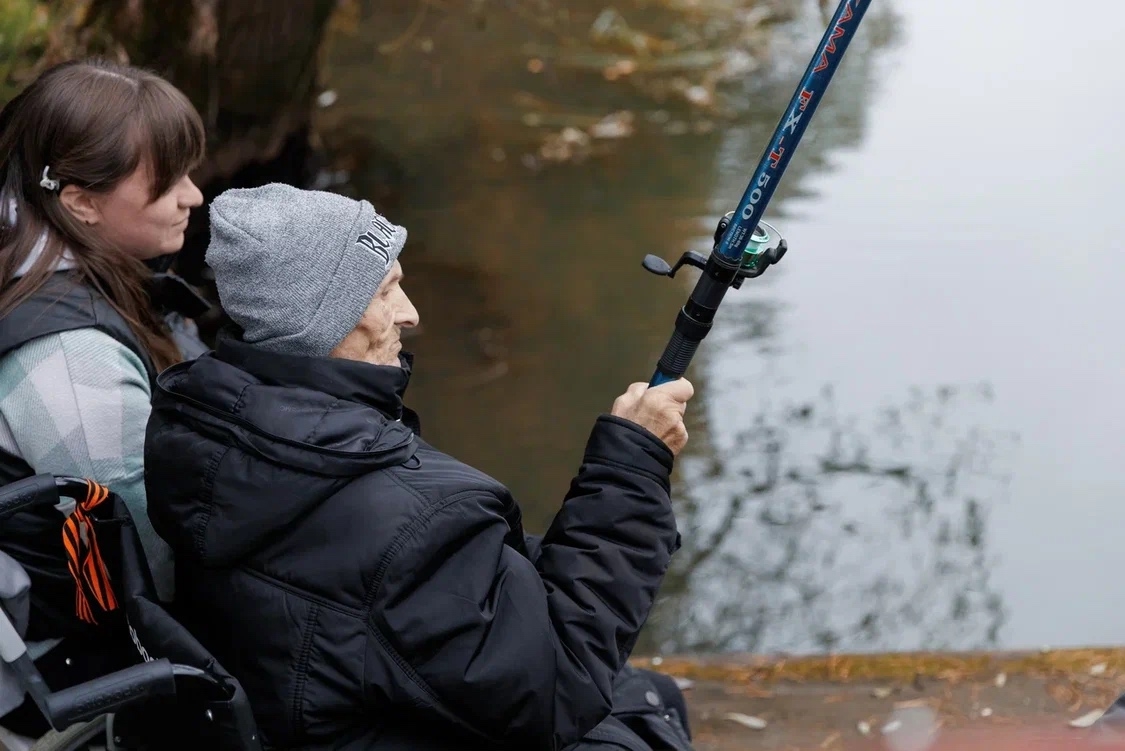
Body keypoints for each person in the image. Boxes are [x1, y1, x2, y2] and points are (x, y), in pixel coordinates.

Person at [144, 182, 697, 750]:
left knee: (644, 692)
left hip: (308, 712)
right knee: (647, 720)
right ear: (322, 323)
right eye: (388, 291)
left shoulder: (191, 426)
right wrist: (630, 471)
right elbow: (558, 690)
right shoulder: (402, 517)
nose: (411, 314)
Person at [0, 58, 210, 741]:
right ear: (83, 202)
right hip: (54, 650)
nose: (195, 196)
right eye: (168, 181)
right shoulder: (71, 366)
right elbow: (143, 554)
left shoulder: (22, 229)